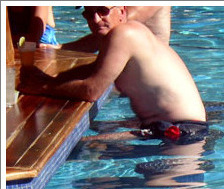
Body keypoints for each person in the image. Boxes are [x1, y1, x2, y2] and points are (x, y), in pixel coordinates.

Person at [17, 6, 206, 145]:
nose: (96, 19)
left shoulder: (124, 34)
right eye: (89, 14)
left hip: (182, 133)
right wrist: (48, 79)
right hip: (174, 129)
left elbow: (91, 90)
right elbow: (94, 70)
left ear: (122, 12)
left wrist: (41, 86)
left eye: (102, 10)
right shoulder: (123, 35)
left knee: (80, 147)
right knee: (95, 168)